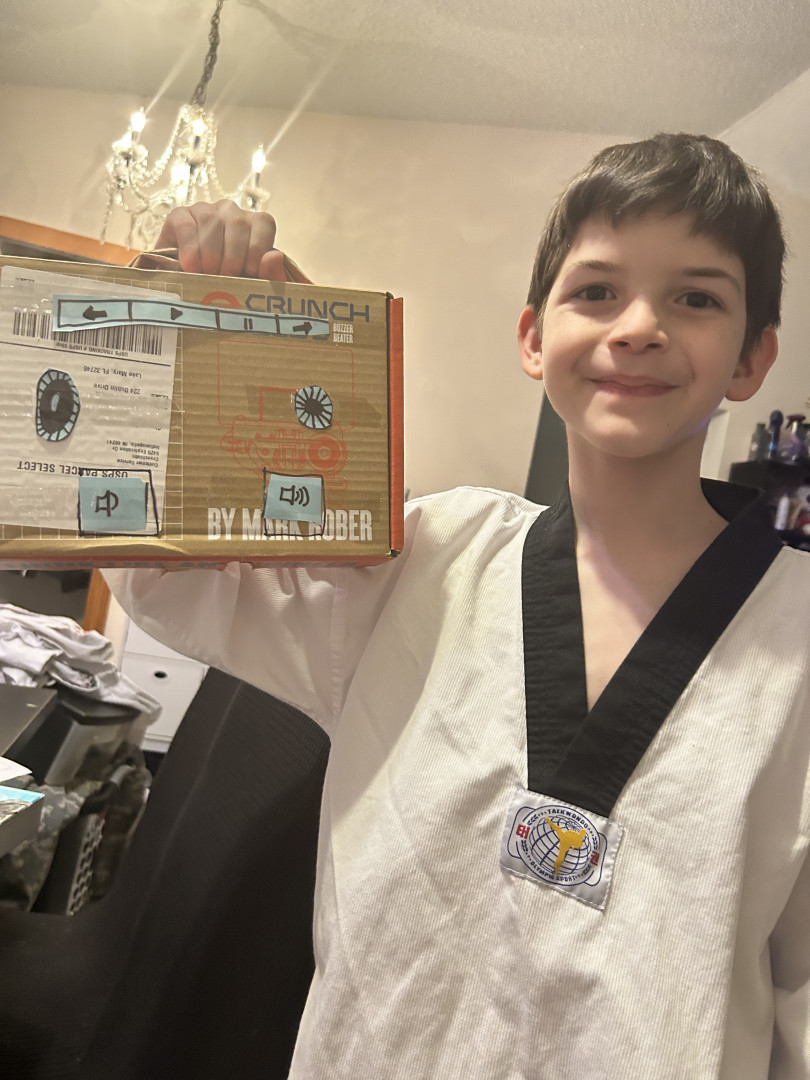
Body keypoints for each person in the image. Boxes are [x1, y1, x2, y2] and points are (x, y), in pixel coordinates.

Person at [105, 133, 810, 1080]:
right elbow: (165, 570)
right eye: (597, 290)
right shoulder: (425, 555)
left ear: (752, 358)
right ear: (533, 338)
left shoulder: (797, 637)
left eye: (697, 298)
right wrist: (188, 320)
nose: (640, 325)